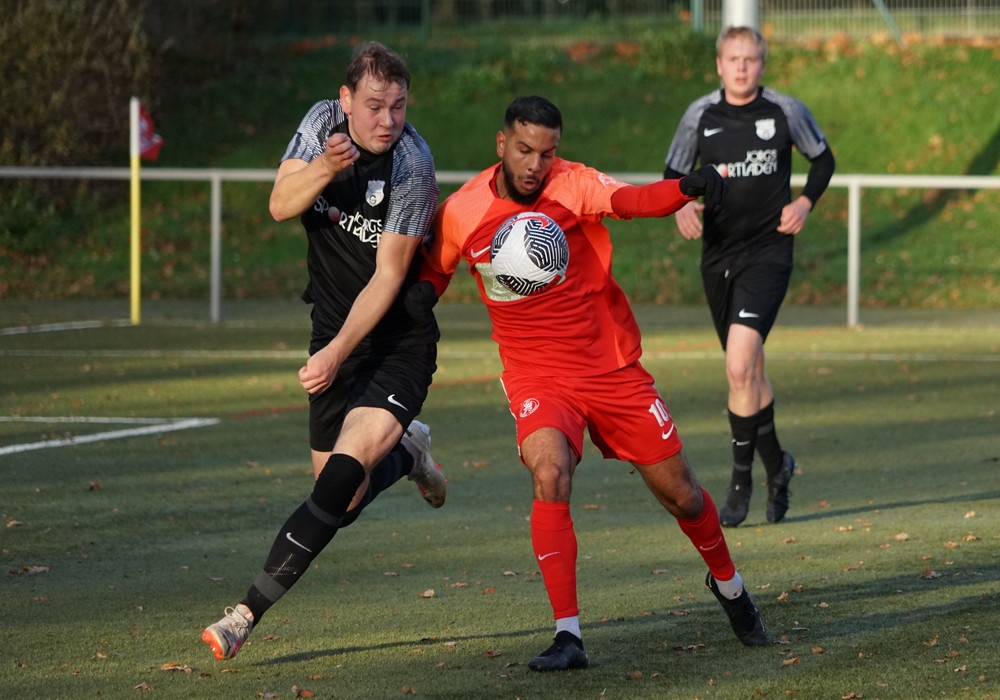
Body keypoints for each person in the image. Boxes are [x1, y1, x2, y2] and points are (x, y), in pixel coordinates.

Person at [420, 95, 766, 672]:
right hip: (536, 374)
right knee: (549, 473)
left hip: (610, 368)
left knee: (682, 494)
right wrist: (407, 309)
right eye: (525, 150)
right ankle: (568, 636)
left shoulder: (571, 183)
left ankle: (730, 586)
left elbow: (631, 200)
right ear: (502, 144)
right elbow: (433, 271)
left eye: (547, 152)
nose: (536, 164)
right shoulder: (463, 210)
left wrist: (687, 187)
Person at [200, 41, 447, 661]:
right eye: (374, 105)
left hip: (396, 341)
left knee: (338, 481)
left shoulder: (413, 165)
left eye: (398, 106)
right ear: (346, 101)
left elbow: (388, 277)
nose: (388, 120)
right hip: (331, 330)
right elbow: (281, 204)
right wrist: (325, 167)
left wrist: (336, 353)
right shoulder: (320, 124)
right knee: (347, 498)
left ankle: (243, 615)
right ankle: (410, 455)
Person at [662, 26, 835, 528]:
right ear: (719, 65)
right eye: (733, 58)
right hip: (718, 256)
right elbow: (673, 173)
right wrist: (681, 204)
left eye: (750, 59)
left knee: (739, 365)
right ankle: (779, 465)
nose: (741, 67)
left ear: (762, 64)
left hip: (769, 252)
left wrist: (804, 202)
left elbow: (823, 159)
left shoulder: (785, 110)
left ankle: (740, 485)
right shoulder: (699, 115)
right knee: (750, 373)